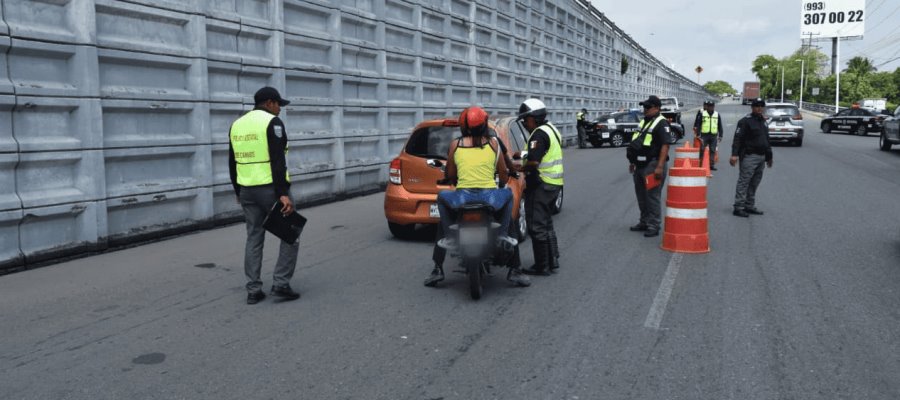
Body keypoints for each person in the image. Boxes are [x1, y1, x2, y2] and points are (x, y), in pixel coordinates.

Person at [423, 106, 531, 288]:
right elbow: (504, 177)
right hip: (489, 198)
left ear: (463, 126)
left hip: (462, 199)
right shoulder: (494, 144)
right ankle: (513, 264)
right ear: (484, 125)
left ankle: (439, 264)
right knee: (509, 195)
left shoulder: (455, 145)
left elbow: (450, 174)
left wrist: (452, 178)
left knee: (442, 198)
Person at [228, 87, 300, 304]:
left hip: (247, 190)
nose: (280, 109)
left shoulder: (237, 124)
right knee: (291, 234)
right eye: (278, 104)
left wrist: (238, 191)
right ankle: (281, 284)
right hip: (270, 190)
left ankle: (253, 289)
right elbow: (278, 159)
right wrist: (283, 194)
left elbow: (232, 161)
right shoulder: (272, 122)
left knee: (254, 237)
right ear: (269, 103)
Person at [517, 99, 564, 276]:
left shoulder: (537, 135)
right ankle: (553, 260)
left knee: (536, 226)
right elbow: (541, 152)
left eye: (525, 119)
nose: (523, 123)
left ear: (533, 118)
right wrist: (522, 154)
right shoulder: (550, 129)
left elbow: (534, 161)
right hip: (554, 184)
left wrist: (520, 167)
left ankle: (542, 266)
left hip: (542, 184)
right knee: (546, 224)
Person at [626, 95, 672, 237]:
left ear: (657, 108)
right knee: (641, 196)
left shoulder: (662, 123)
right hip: (640, 164)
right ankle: (644, 221)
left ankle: (654, 225)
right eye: (644, 107)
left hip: (653, 165)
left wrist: (659, 166)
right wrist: (633, 162)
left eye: (648, 107)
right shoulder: (644, 121)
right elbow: (638, 143)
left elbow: (665, 145)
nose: (645, 109)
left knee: (652, 196)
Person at [730, 98, 772, 217]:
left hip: (761, 157)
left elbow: (766, 140)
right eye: (757, 106)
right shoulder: (745, 121)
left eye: (761, 106)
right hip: (749, 156)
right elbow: (737, 139)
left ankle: (749, 205)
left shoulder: (763, 121)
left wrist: (769, 157)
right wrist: (734, 155)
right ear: (752, 107)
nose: (759, 108)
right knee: (744, 182)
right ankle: (738, 207)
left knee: (754, 182)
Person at [693, 100, 724, 170]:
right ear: (707, 107)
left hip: (713, 135)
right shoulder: (703, 114)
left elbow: (720, 125)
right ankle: (700, 164)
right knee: (702, 149)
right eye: (709, 106)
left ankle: (711, 165)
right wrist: (698, 134)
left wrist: (721, 135)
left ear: (714, 107)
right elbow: (699, 124)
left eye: (712, 106)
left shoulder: (717, 114)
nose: (710, 108)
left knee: (712, 150)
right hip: (704, 135)